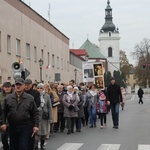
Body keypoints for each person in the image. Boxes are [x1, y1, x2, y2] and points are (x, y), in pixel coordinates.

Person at [1, 78, 39, 150]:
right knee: (14, 146)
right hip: (13, 126)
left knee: (23, 146)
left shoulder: (29, 98)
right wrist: (3, 123)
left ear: (24, 86)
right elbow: (3, 112)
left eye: (20, 85)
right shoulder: (8, 98)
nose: (18, 86)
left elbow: (35, 112)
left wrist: (36, 125)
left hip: (26, 126)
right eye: (16, 85)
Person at [24, 78, 41, 150]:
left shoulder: (36, 93)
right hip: (23, 116)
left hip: (32, 115)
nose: (26, 86)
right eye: (25, 85)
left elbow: (38, 103)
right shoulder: (22, 92)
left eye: (28, 85)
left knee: (33, 133)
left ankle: (35, 145)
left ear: (31, 85)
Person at [36, 83, 53, 150]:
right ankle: (36, 145)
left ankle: (42, 145)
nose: (39, 89)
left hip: (44, 116)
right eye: (38, 88)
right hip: (37, 115)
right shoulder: (35, 95)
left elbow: (49, 107)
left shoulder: (47, 96)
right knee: (36, 132)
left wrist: (51, 117)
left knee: (43, 132)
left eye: (41, 88)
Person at [0, 82, 12, 150]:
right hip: (3, 119)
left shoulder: (14, 95)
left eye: (8, 87)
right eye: (5, 87)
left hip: (12, 119)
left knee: (12, 137)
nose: (7, 88)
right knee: (3, 136)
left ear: (10, 88)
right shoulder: (0, 96)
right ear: (3, 88)